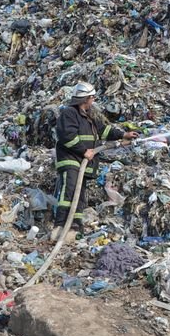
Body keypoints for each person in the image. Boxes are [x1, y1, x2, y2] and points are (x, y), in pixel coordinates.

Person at [51, 81, 139, 242]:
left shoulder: (90, 115)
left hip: (84, 161)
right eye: (92, 97)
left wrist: (123, 135)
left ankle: (74, 227)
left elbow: (104, 131)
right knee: (69, 191)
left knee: (80, 195)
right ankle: (60, 226)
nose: (93, 100)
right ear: (86, 98)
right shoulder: (69, 113)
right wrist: (84, 151)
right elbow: (66, 136)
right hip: (71, 159)